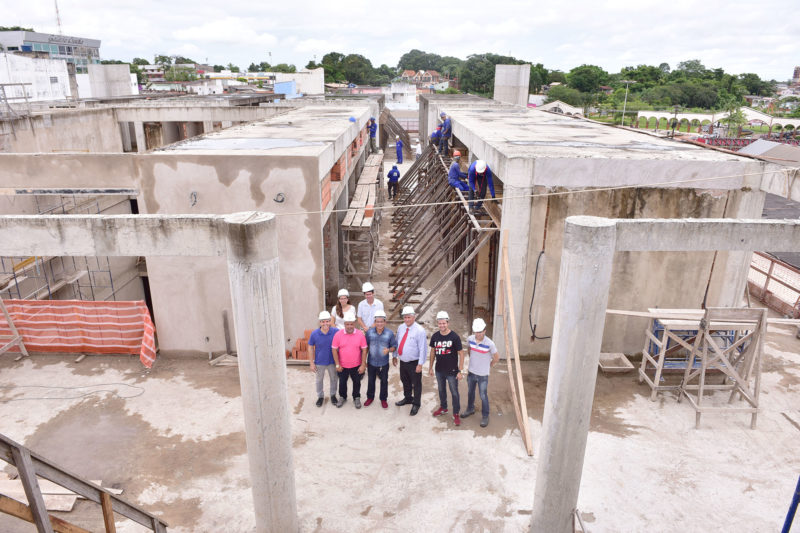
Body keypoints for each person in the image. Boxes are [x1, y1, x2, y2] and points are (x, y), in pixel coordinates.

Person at [428, 311, 464, 426]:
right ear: (437, 323)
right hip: (439, 370)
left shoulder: (454, 337)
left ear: (448, 323)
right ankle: (443, 408)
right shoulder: (435, 336)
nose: (442, 325)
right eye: (439, 323)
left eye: (444, 323)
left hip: (452, 371)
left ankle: (456, 413)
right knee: (441, 390)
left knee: (454, 393)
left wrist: (460, 370)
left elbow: (461, 354)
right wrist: (430, 367)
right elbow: (433, 352)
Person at [461, 318, 499, 427]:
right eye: (476, 332)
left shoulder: (490, 344)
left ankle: (485, 416)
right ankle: (470, 409)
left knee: (483, 395)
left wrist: (489, 365)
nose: (478, 334)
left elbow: (496, 358)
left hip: (483, 375)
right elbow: (469, 350)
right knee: (470, 392)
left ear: (484, 331)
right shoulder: (470, 339)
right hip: (472, 372)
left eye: (480, 332)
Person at [393, 305, 427, 416]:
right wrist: (394, 355)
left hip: (414, 362)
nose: (407, 319)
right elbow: (397, 342)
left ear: (414, 317)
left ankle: (416, 403)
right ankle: (408, 398)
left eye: (409, 317)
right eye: (405, 317)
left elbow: (423, 348)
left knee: (416, 384)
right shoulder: (401, 327)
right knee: (405, 380)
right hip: (403, 361)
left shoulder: (420, 331)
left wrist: (420, 364)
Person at [331, 311, 368, 408]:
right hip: (342, 366)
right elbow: (334, 350)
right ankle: (342, 397)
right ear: (344, 324)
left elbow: (364, 350)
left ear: (354, 324)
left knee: (357, 382)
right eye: (347, 324)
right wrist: (337, 365)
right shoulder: (338, 334)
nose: (349, 326)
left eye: (351, 324)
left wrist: (363, 365)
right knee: (342, 383)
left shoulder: (360, 334)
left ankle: (356, 397)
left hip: (356, 365)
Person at [364, 310, 397, 408]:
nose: (379, 324)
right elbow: (366, 347)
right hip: (371, 362)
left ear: (385, 322)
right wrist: (364, 361)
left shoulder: (389, 333)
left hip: (384, 363)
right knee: (371, 380)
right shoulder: (369, 333)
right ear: (375, 322)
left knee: (384, 381)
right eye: (377, 322)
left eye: (381, 321)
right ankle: (370, 397)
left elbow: (394, 346)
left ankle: (383, 399)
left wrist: (389, 350)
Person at [309, 310, 339, 407]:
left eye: (327, 321)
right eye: (323, 321)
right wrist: (311, 363)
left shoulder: (336, 332)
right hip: (319, 362)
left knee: (334, 379)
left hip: (332, 361)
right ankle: (320, 396)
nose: (325, 323)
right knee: (319, 380)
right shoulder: (314, 334)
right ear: (320, 322)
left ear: (330, 321)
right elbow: (310, 347)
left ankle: (333, 395)